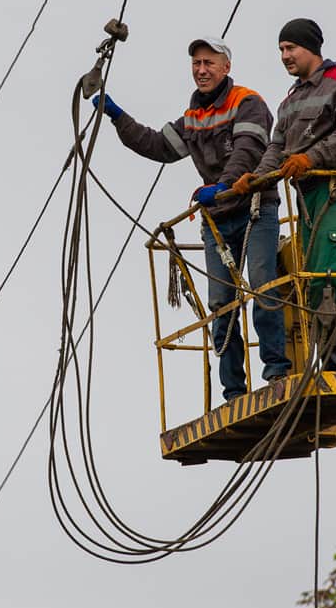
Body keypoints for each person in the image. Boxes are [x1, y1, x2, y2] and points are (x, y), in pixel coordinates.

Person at [91, 36, 291, 401]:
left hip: (254, 209)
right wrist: (116, 116)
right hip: (216, 220)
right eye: (197, 64)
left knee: (262, 285)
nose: (201, 70)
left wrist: (224, 186)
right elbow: (157, 145)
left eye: (209, 63)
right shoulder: (194, 117)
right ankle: (234, 391)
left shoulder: (247, 103)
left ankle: (277, 373)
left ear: (226, 68)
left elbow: (248, 152)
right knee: (221, 303)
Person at [234, 18, 336, 371]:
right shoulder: (290, 101)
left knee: (331, 279)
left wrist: (310, 157)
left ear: (312, 48)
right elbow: (277, 147)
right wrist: (255, 179)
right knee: (320, 280)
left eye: (291, 48)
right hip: (309, 199)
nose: (285, 56)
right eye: (281, 50)